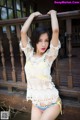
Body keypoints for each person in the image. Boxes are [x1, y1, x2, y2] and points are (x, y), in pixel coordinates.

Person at [20, 10, 62, 120]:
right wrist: (32, 15)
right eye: (39, 41)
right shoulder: (29, 53)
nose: (43, 44)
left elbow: (56, 30)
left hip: (52, 103)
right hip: (36, 104)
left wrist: (53, 13)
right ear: (34, 41)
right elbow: (23, 32)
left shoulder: (49, 56)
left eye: (46, 40)